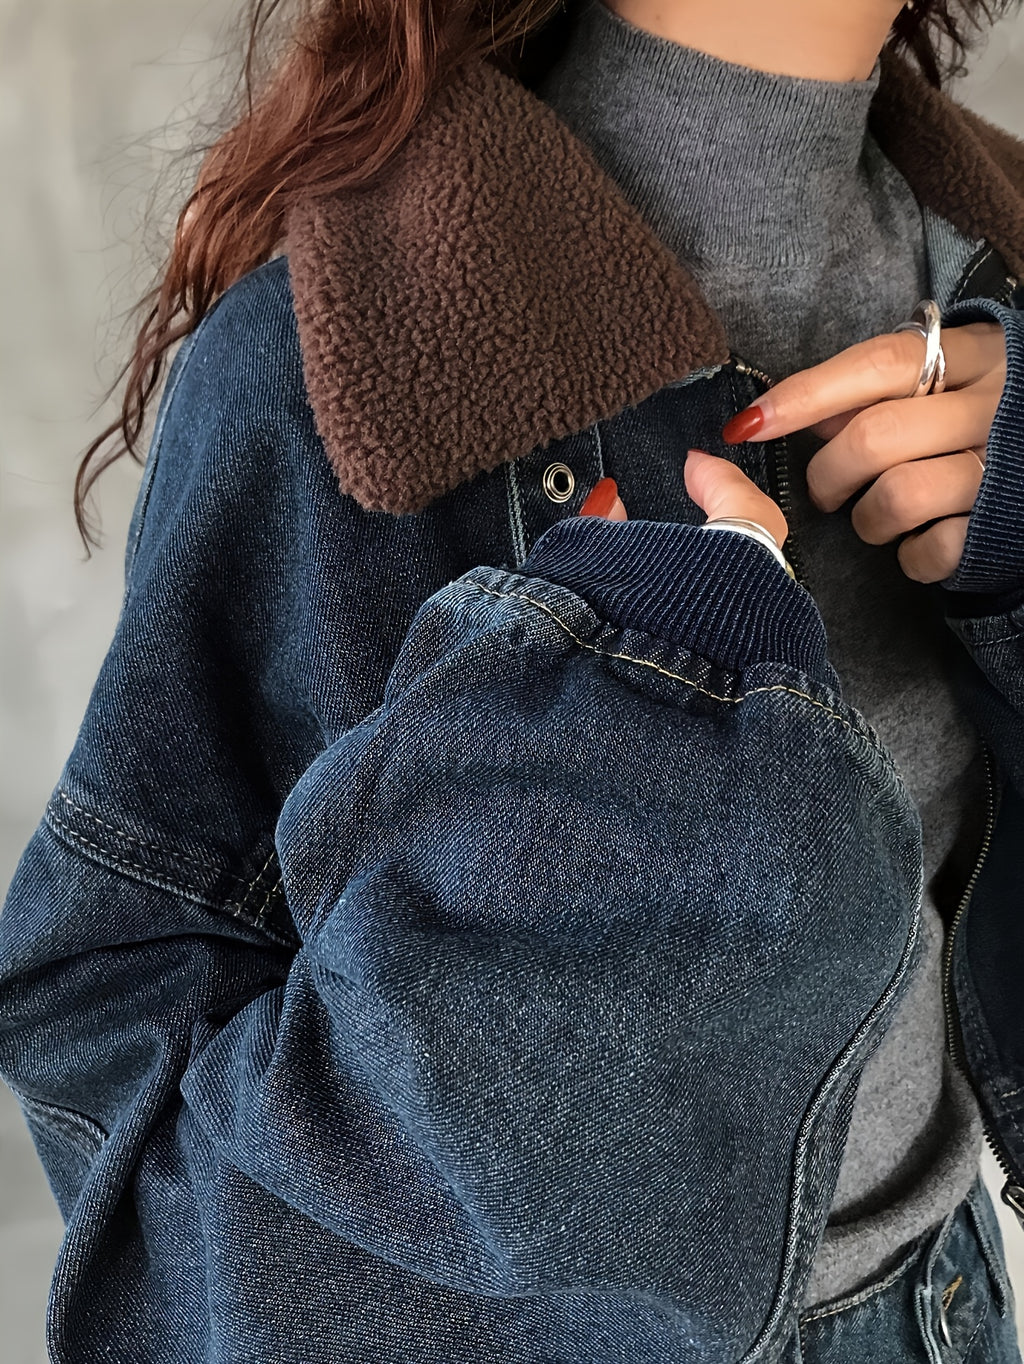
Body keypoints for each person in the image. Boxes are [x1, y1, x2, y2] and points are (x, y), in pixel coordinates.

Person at [2, 0, 1024, 1359]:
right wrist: (619, 748)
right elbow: (113, 1054)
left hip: (953, 1298)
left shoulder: (994, 269)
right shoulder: (339, 362)